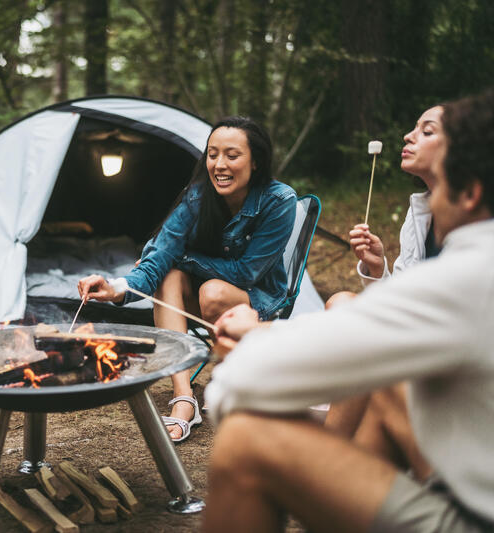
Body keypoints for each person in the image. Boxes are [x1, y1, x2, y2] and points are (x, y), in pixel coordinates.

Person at [203, 88, 494, 532]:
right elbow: (397, 320)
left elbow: (238, 388)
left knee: (243, 441)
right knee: (390, 390)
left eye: (444, 166)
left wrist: (253, 340)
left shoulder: (472, 273)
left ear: (470, 192)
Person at [79, 116, 296, 442]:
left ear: (257, 161)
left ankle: (235, 378)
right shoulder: (197, 197)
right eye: (212, 154)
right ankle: (184, 398)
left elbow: (247, 272)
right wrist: (115, 288)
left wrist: (181, 258)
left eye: (232, 155)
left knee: (208, 289)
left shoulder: (279, 201)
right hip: (207, 296)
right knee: (169, 276)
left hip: (258, 299)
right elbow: (159, 256)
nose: (219, 165)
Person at [324, 104, 447, 436]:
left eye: (427, 130)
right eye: (413, 127)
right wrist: (377, 269)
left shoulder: (479, 218)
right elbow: (401, 302)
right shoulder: (420, 213)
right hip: (416, 338)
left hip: (452, 355)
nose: (407, 136)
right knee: (341, 304)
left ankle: (329, 453)